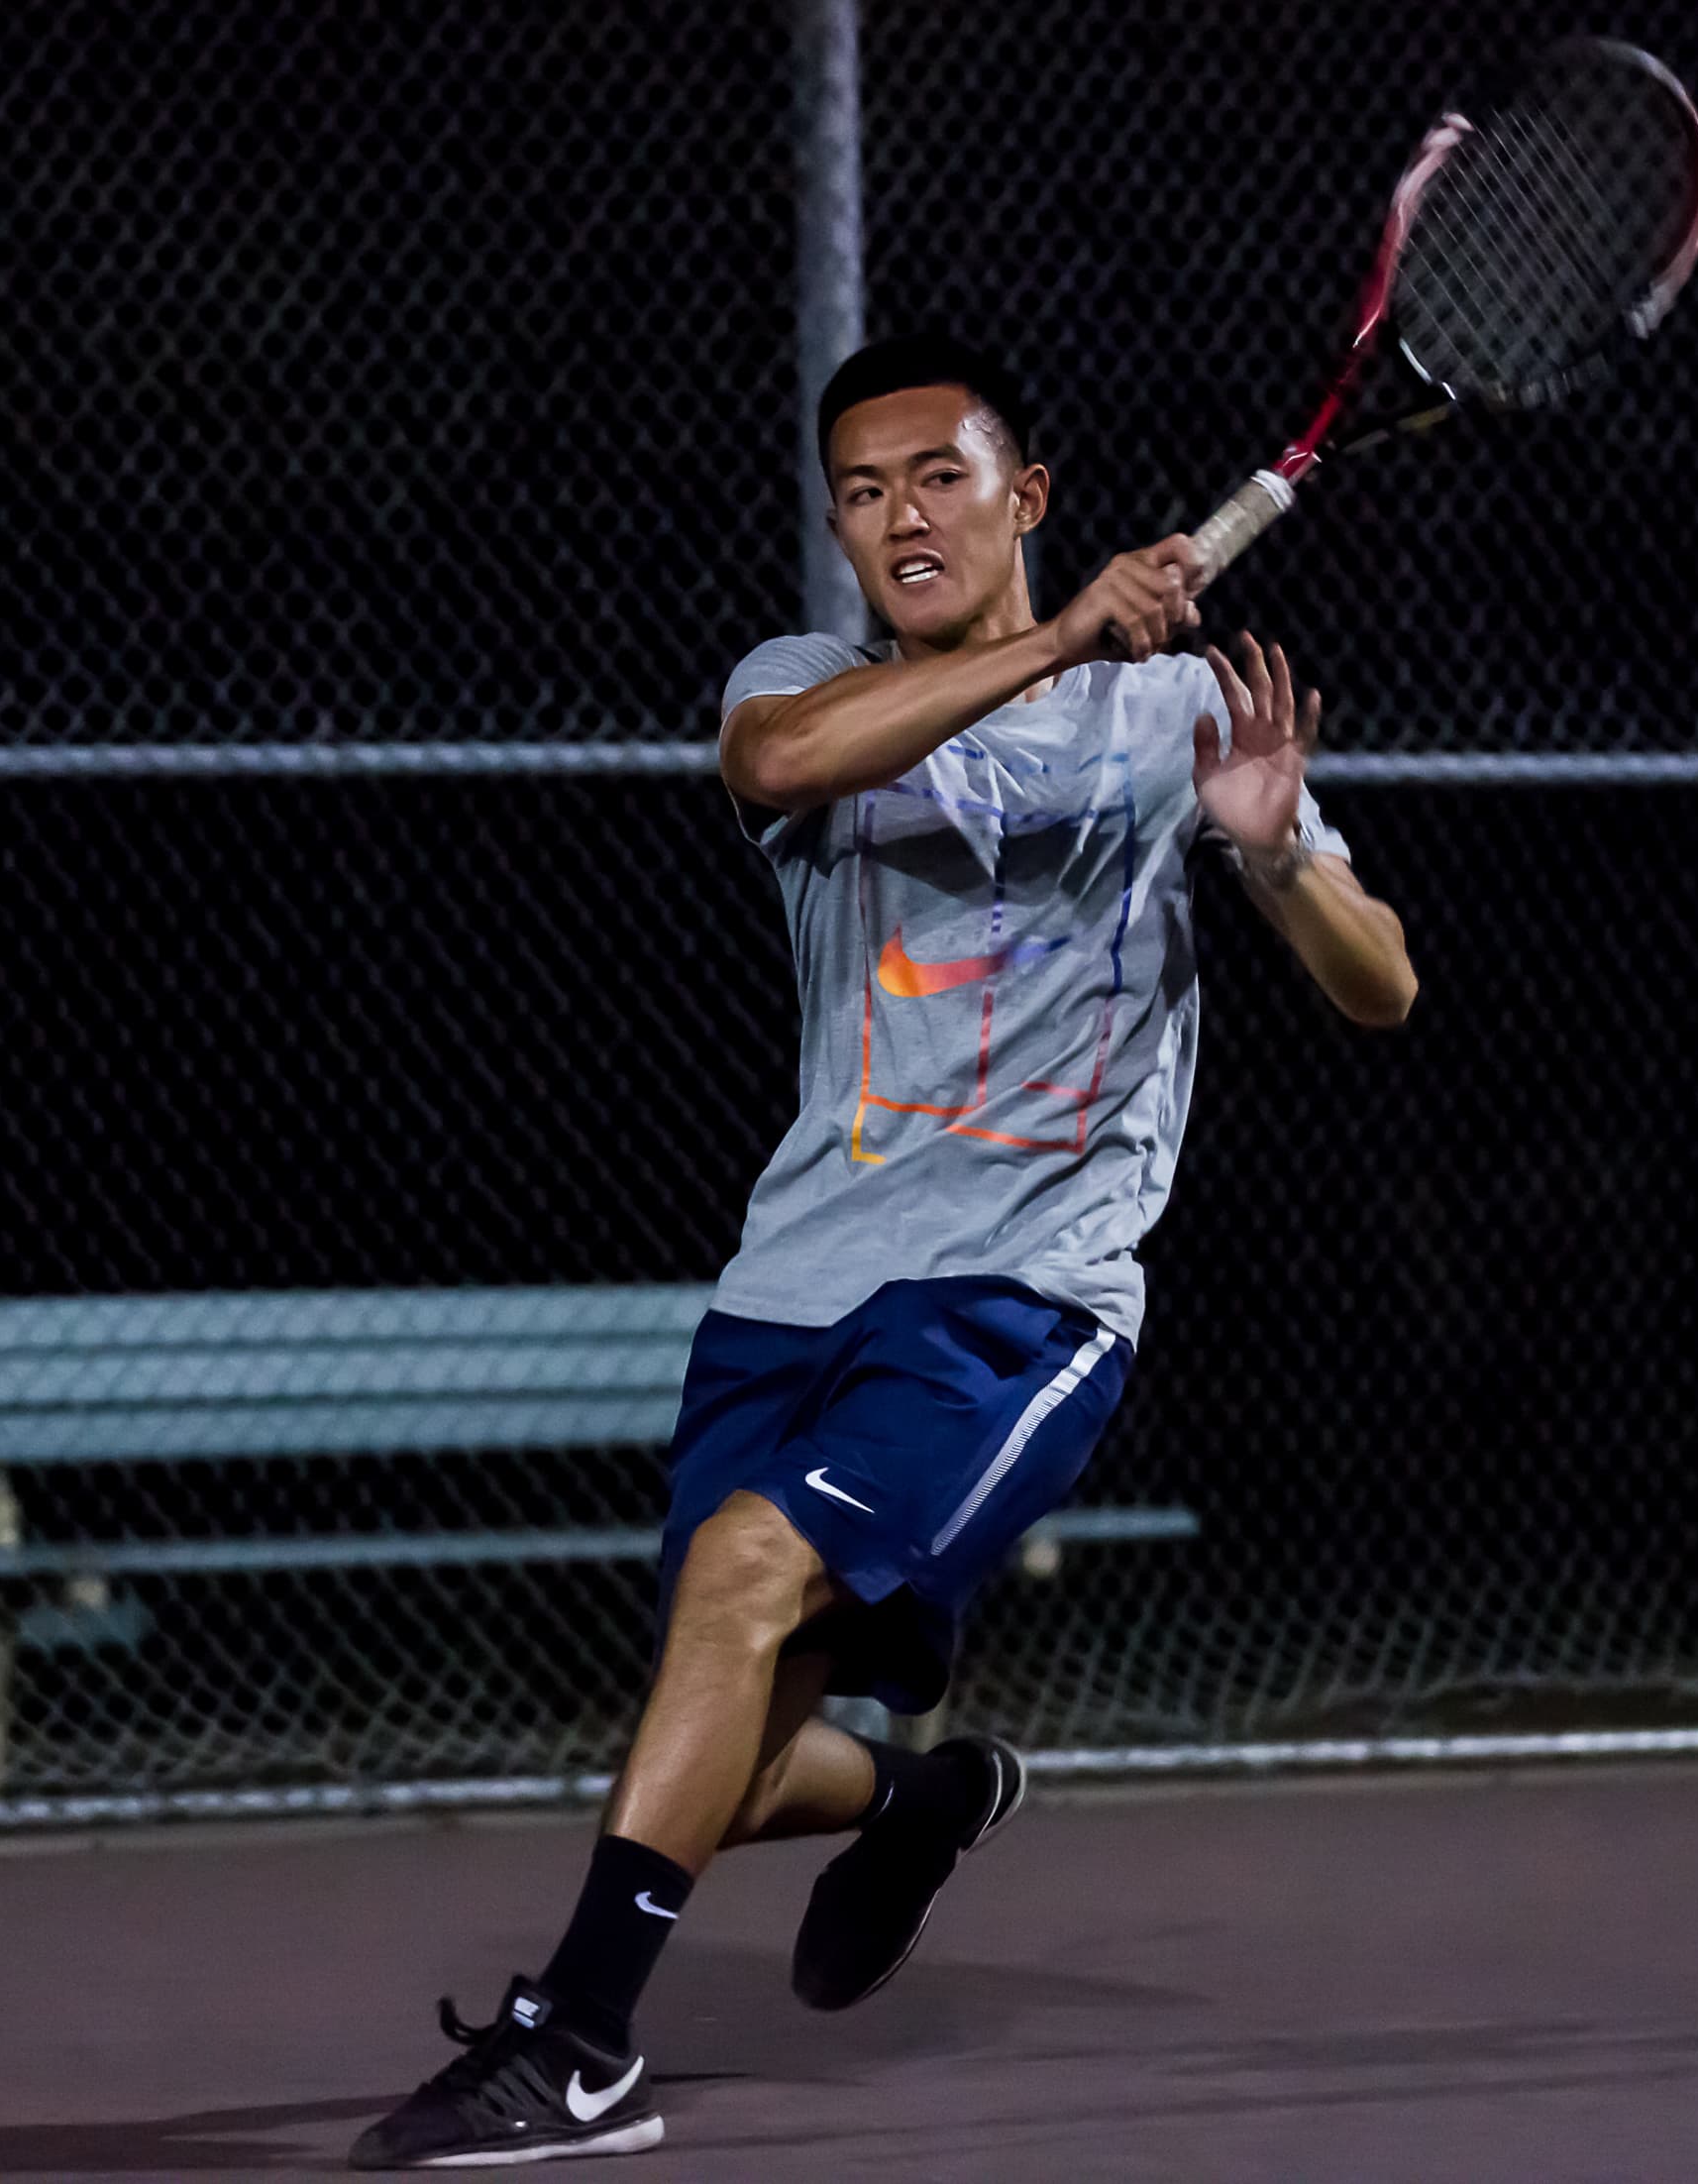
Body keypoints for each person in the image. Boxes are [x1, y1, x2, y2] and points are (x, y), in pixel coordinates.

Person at [351, 333, 1419, 2169]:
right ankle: (924, 1793)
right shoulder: (804, 685)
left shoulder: (1171, 723)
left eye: (941, 474)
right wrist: (1070, 632)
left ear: (1031, 494)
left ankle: (579, 2040)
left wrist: (1267, 857)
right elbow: (779, 760)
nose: (901, 516)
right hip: (790, 1291)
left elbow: (1381, 985)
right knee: (735, 1742)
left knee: (755, 1573)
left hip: (1022, 1290)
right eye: (864, 490)